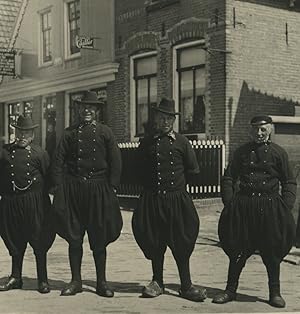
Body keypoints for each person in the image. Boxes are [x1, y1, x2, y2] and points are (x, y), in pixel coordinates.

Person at [212, 115, 296, 308]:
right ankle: (230, 290)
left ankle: (275, 293)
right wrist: (230, 202)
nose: (259, 133)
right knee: (238, 250)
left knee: (272, 250)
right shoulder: (241, 152)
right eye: (255, 129)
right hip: (244, 207)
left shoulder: (279, 153)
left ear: (270, 130)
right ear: (251, 130)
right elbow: (228, 178)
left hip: (270, 207)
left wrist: (286, 206)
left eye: (263, 129)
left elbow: (289, 181)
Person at [132, 98, 207, 302]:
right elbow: (137, 170)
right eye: (162, 117)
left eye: (169, 118)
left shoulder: (182, 142)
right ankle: (158, 282)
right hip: (153, 199)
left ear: (174, 120)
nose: (165, 122)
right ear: (156, 118)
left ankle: (186, 285)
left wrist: (179, 192)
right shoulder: (146, 142)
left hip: (177, 200)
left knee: (181, 241)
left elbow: (193, 171)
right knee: (155, 240)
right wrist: (149, 191)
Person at [50, 91, 122, 297]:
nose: (87, 111)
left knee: (99, 235)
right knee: (74, 236)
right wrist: (59, 187)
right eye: (84, 108)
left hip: (98, 190)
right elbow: (58, 161)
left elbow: (116, 161)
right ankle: (76, 281)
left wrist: (112, 187)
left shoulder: (105, 132)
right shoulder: (69, 133)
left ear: (97, 111)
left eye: (91, 108)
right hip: (73, 190)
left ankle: (102, 282)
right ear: (79, 110)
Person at [0, 115, 55, 294]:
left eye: (27, 132)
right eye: (20, 131)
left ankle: (43, 279)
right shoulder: (5, 152)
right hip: (11, 202)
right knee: (14, 239)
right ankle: (16, 277)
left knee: (39, 239)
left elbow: (50, 179)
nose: (22, 136)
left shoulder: (40, 153)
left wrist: (38, 196)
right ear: (15, 132)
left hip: (35, 203)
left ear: (32, 135)